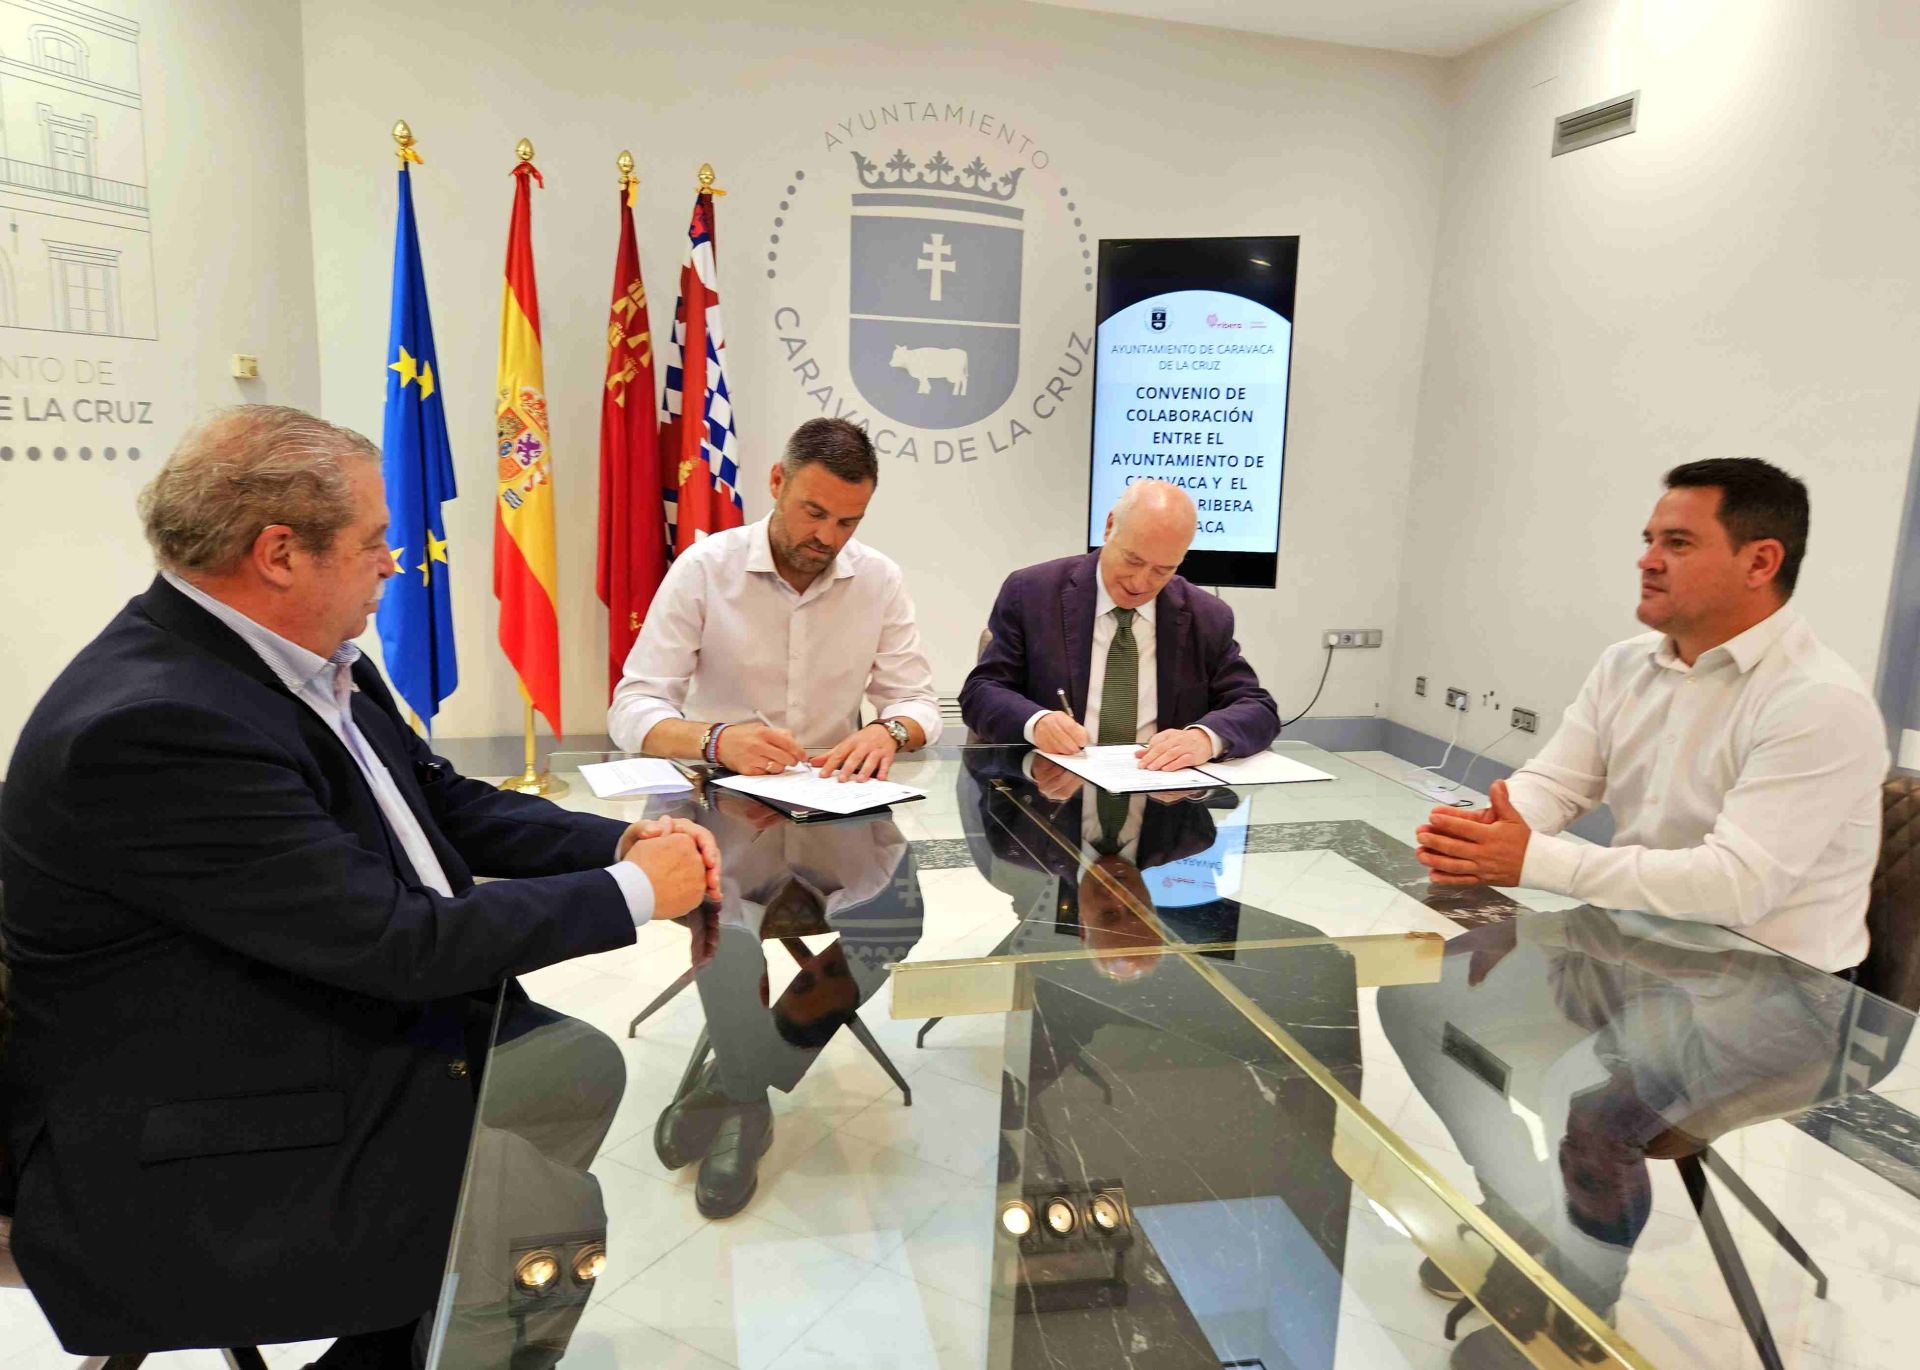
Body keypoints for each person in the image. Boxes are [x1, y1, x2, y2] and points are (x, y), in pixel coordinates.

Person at [0, 406, 719, 1365]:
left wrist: (621, 841)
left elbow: (448, 805)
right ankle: (445, 1305)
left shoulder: (300, 662)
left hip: (292, 1011)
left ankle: (422, 1322)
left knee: (576, 1071)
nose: (396, 563)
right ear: (279, 554)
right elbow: (398, 942)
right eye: (377, 540)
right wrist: (635, 892)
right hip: (201, 1119)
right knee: (548, 1227)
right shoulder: (157, 725)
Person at [1414, 458, 1887, 975]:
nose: (1648, 561)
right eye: (1649, 541)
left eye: (1678, 544)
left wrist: (1531, 859)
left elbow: (1735, 885)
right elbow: (1560, 782)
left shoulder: (1819, 700)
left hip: (1778, 988)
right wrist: (1496, 829)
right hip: (1635, 946)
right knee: (1427, 989)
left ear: (1759, 563)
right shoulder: (1625, 663)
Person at [608, 417, 941, 781]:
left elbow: (916, 702)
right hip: (717, 788)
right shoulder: (704, 568)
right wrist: (716, 740)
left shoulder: (878, 578)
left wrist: (888, 732)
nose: (827, 537)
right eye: (814, 513)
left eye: (847, 522)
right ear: (777, 481)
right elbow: (631, 709)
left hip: (831, 791)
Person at [959, 480, 1279, 771]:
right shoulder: (1032, 593)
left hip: (1162, 802)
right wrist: (1036, 721)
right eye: (1133, 560)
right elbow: (981, 691)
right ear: (1110, 527)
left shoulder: (1205, 616)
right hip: (1052, 795)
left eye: (1162, 570)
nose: (1140, 583)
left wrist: (1204, 738)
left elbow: (1257, 707)